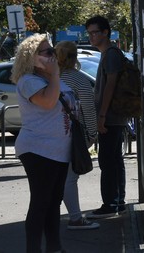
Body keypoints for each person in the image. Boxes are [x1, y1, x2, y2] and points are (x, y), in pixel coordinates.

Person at [12, 33, 75, 253]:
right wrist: (55, 73)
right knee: (41, 202)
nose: (53, 55)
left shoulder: (51, 79)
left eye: (53, 50)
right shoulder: (28, 81)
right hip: (38, 149)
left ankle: (54, 248)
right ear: (32, 57)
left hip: (58, 150)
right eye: (48, 52)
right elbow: (48, 102)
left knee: (53, 201)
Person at [84, 15, 128, 219]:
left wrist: (101, 115)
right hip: (114, 115)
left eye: (95, 32)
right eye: (89, 33)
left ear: (106, 32)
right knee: (115, 159)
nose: (92, 37)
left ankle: (110, 204)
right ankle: (118, 201)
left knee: (108, 161)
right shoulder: (109, 53)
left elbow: (110, 85)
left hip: (111, 116)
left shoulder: (110, 54)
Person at [54, 41, 100, 230]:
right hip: (72, 134)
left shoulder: (51, 78)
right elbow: (88, 108)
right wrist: (92, 134)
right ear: (74, 58)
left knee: (56, 177)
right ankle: (75, 218)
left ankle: (51, 216)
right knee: (70, 178)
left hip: (51, 134)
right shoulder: (79, 79)